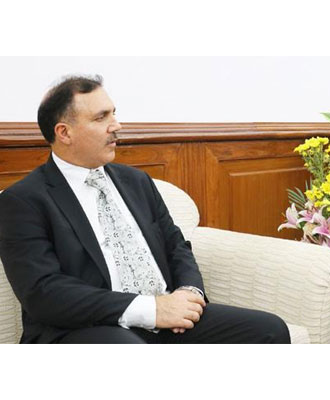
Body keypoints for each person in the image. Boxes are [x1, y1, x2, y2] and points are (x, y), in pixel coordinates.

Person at [0, 75, 291, 344]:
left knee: (269, 330)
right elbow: (44, 293)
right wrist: (151, 310)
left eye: (114, 113)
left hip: (166, 318)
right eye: (101, 117)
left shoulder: (136, 181)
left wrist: (188, 294)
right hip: (86, 328)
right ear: (64, 132)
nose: (116, 125)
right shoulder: (23, 201)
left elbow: (176, 245)